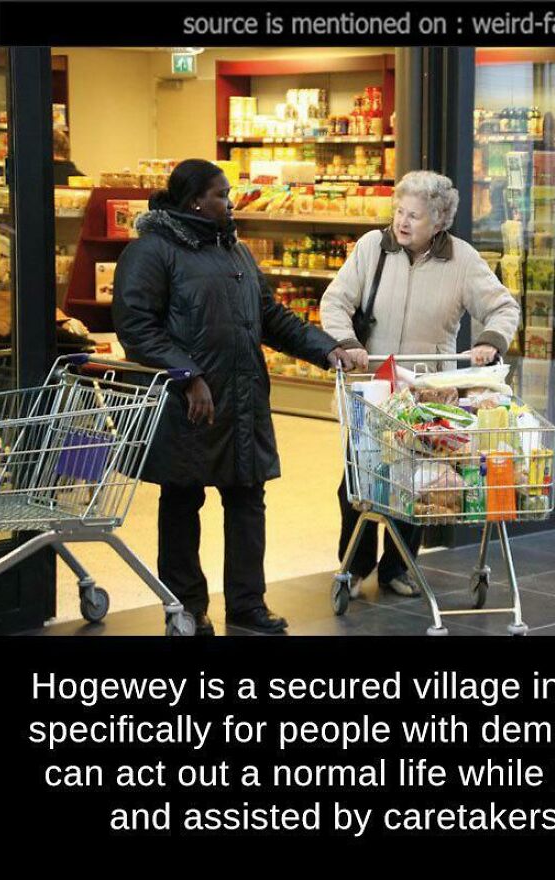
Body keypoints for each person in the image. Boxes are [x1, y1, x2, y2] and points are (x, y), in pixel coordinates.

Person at [113, 159, 356, 635]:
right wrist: (188, 374)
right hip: (188, 404)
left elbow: (270, 317)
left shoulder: (235, 251)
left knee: (248, 500)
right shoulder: (151, 252)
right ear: (194, 201)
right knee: (182, 502)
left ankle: (247, 604)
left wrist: (328, 349)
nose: (231, 201)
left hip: (243, 398)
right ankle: (186, 606)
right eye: (222, 194)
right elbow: (137, 327)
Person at [321, 170, 520, 598]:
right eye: (399, 211)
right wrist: (348, 342)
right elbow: (335, 301)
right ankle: (354, 567)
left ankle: (398, 567)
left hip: (426, 393)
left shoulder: (462, 260)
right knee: (358, 481)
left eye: (414, 215)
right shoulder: (372, 248)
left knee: (417, 482)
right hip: (371, 386)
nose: (403, 221)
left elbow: (503, 306)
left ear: (439, 221)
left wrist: (489, 342)